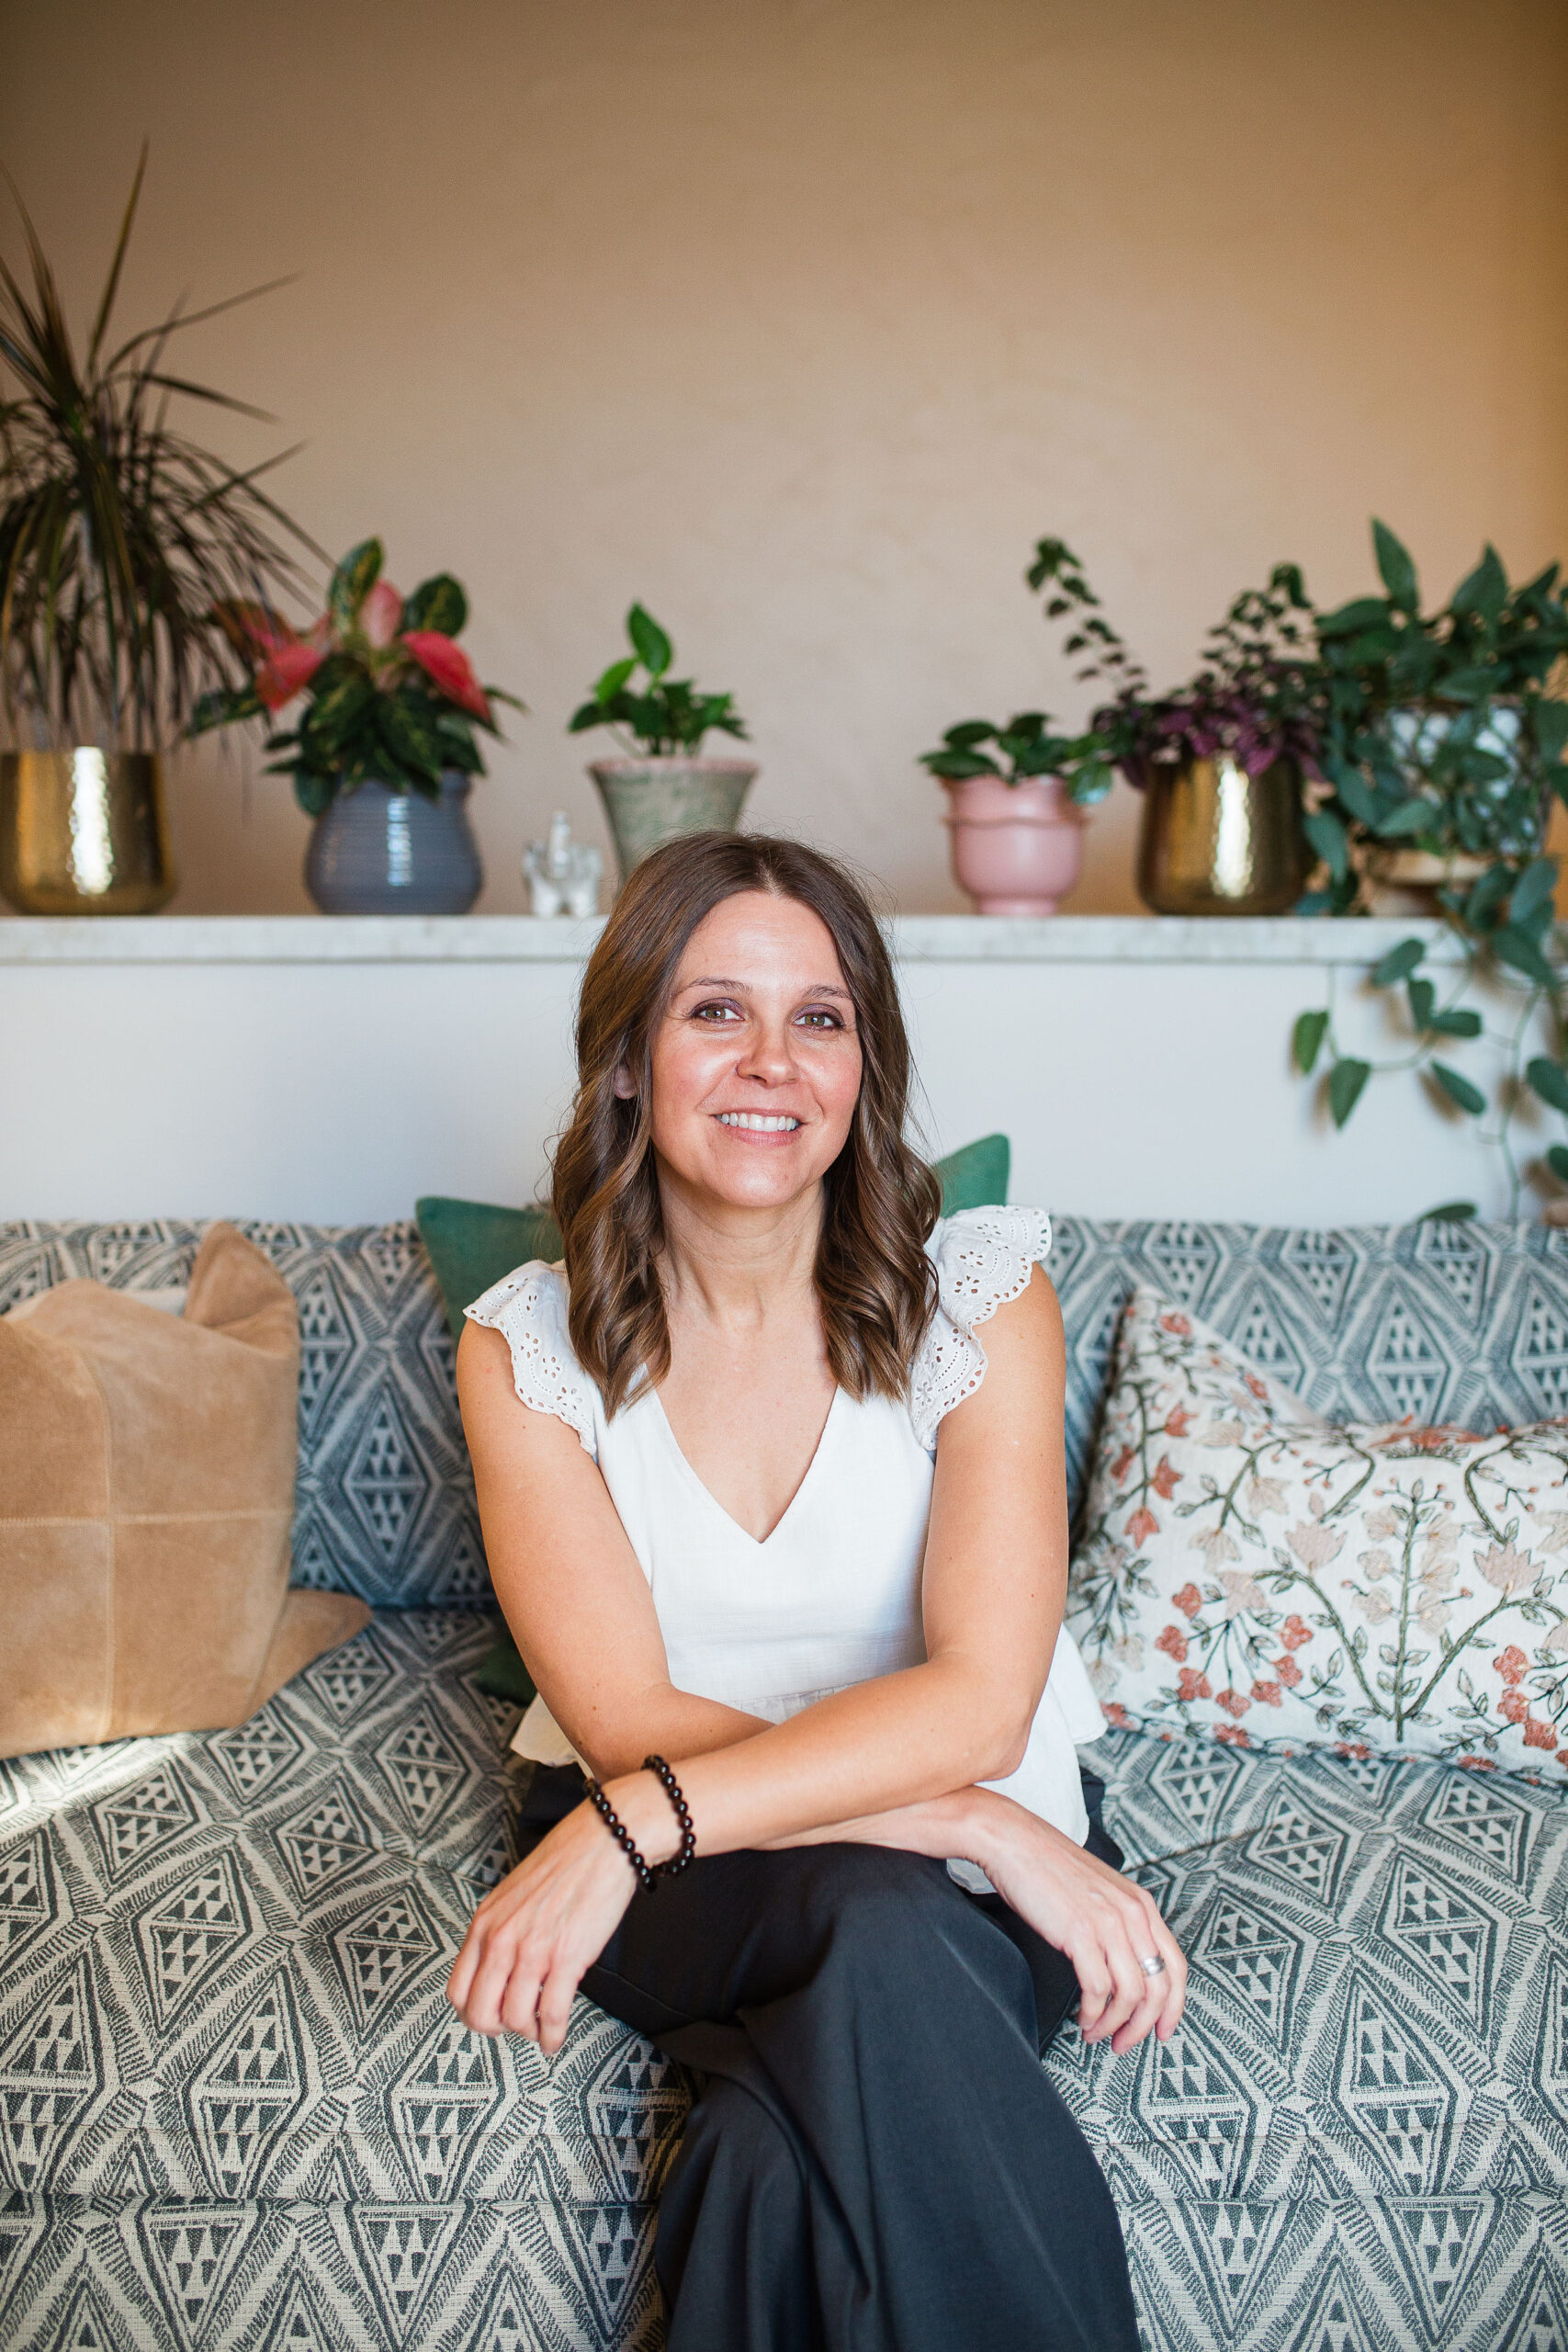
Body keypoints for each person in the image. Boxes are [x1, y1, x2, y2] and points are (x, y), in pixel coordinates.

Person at [446, 832, 1184, 2351]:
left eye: (821, 1018)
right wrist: (980, 1823)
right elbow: (627, 1717)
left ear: (865, 1066)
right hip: (697, 1866)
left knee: (766, 2158)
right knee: (881, 1914)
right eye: (716, 1011)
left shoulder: (977, 1294)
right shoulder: (525, 1349)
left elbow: (983, 1699)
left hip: (662, 1832)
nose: (772, 1062)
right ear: (632, 1059)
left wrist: (640, 1819)